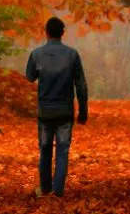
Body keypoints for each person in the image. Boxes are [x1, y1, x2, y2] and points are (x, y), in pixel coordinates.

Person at [25, 16, 88, 197]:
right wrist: (83, 111)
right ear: (62, 33)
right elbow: (81, 85)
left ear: (46, 32)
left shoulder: (36, 54)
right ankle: (58, 191)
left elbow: (30, 77)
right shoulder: (72, 55)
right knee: (62, 150)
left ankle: (45, 189)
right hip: (65, 111)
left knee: (45, 150)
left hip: (45, 111)